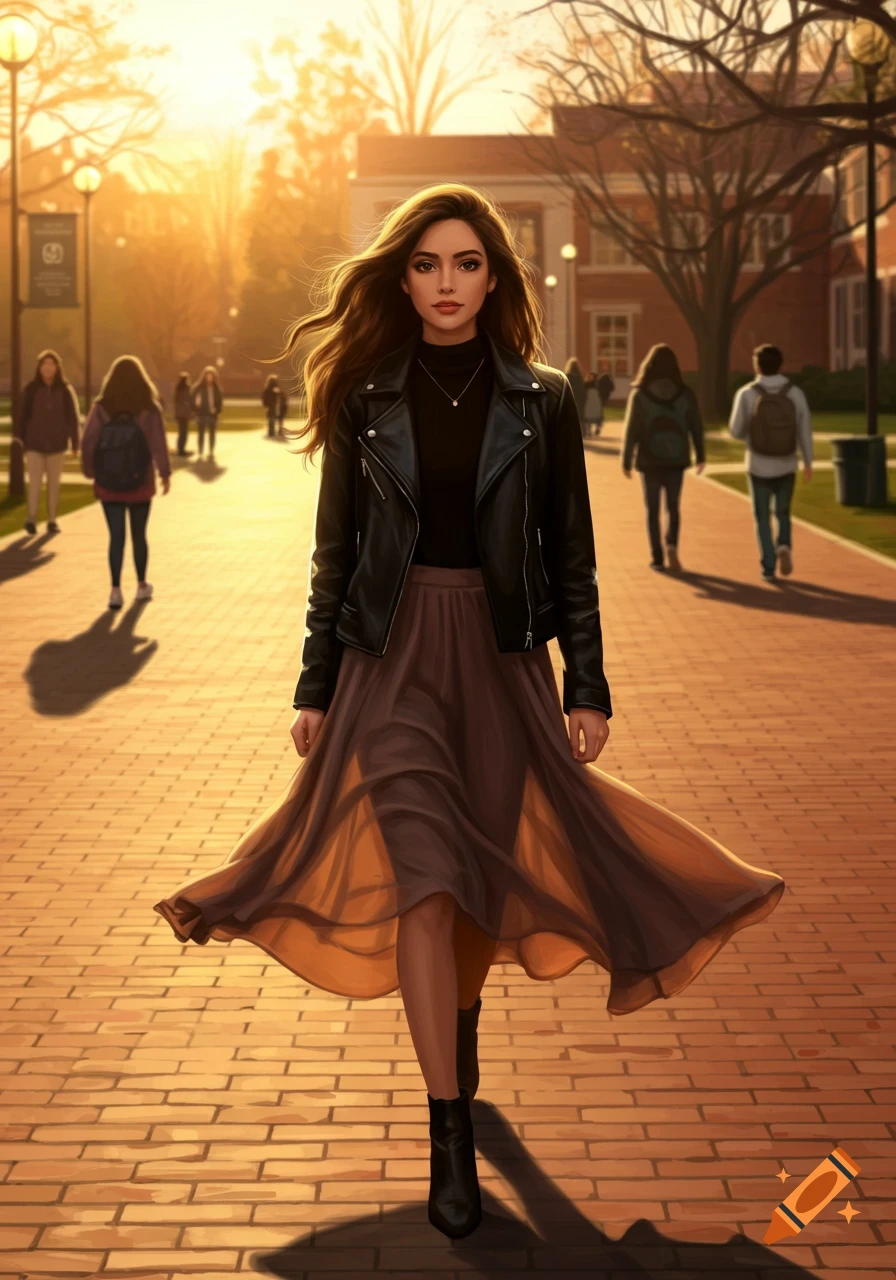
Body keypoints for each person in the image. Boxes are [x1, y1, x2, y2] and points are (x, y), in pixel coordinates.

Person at [153, 184, 784, 1243]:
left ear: (494, 278)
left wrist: (584, 681)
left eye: (465, 265)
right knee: (425, 878)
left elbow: (568, 554)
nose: (445, 284)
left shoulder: (541, 399)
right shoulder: (364, 395)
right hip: (390, 664)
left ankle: (459, 1014)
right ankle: (446, 1125)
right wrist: (315, 685)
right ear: (400, 279)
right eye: (426, 265)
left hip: (499, 662)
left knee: (477, 878)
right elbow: (334, 553)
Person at [80, 356, 171, 610]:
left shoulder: (101, 407)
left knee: (116, 536)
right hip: (140, 481)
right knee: (139, 535)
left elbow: (88, 441)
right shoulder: (149, 408)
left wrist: (90, 471)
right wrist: (164, 473)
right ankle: (142, 585)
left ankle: (115, 590)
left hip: (108, 482)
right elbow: (158, 443)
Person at [728, 344, 813, 581]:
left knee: (761, 517)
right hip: (787, 463)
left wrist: (751, 432)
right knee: (783, 512)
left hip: (757, 464)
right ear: (780, 363)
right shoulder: (795, 393)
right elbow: (804, 429)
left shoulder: (746, 393)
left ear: (757, 365)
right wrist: (808, 460)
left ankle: (768, 566)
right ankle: (784, 544)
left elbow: (735, 430)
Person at [621, 344, 706, 572]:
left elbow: (632, 430)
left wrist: (627, 460)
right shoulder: (685, 394)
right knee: (673, 506)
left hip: (649, 460)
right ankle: (672, 545)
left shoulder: (640, 394)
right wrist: (700, 454)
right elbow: (696, 426)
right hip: (676, 459)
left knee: (652, 510)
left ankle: (657, 557)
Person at [20, 349, 80, 535]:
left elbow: (73, 418)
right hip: (34, 445)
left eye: (51, 364)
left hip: (57, 445)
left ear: (57, 367)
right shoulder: (31, 389)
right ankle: (31, 519)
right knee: (35, 484)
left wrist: (75, 443)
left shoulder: (65, 390)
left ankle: (52, 520)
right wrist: (20, 439)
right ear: (39, 368)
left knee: (54, 484)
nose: (47, 368)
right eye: (44, 364)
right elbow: (22, 415)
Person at [191, 366, 223, 458]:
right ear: (204, 376)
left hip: (212, 414)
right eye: (207, 375)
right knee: (201, 433)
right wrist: (195, 409)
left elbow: (219, 401)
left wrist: (217, 410)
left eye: (211, 376)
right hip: (202, 414)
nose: (209, 378)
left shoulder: (216, 388)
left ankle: (211, 451)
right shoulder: (199, 388)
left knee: (212, 434)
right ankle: (200, 450)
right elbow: (193, 399)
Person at [564, 356, 586, 432]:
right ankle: (583, 431)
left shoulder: (567, 377)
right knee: (580, 415)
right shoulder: (580, 377)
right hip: (579, 398)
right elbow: (582, 389)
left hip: (570, 398)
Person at [174, 373, 193, 456]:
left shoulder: (177, 389)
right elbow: (188, 401)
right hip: (184, 414)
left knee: (181, 432)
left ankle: (180, 448)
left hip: (179, 414)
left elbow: (176, 402)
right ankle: (181, 450)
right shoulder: (186, 389)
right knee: (184, 432)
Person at [582, 371, 603, 438]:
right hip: (590, 401)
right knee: (589, 415)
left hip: (595, 401)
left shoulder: (597, 384)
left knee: (596, 415)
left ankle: (597, 429)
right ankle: (590, 431)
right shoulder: (588, 384)